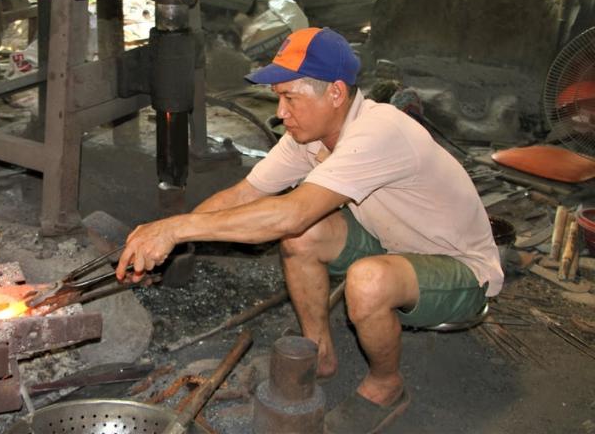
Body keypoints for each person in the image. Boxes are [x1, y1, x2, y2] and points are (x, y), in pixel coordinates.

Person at [115, 27, 503, 433]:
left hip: (459, 269)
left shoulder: (379, 131)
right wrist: (167, 241)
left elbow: (290, 213)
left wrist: (175, 229)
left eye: (290, 98)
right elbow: (245, 193)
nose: (281, 112)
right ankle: (319, 355)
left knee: (364, 279)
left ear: (335, 93)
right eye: (279, 98)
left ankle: (386, 385)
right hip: (392, 244)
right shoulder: (310, 134)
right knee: (302, 238)